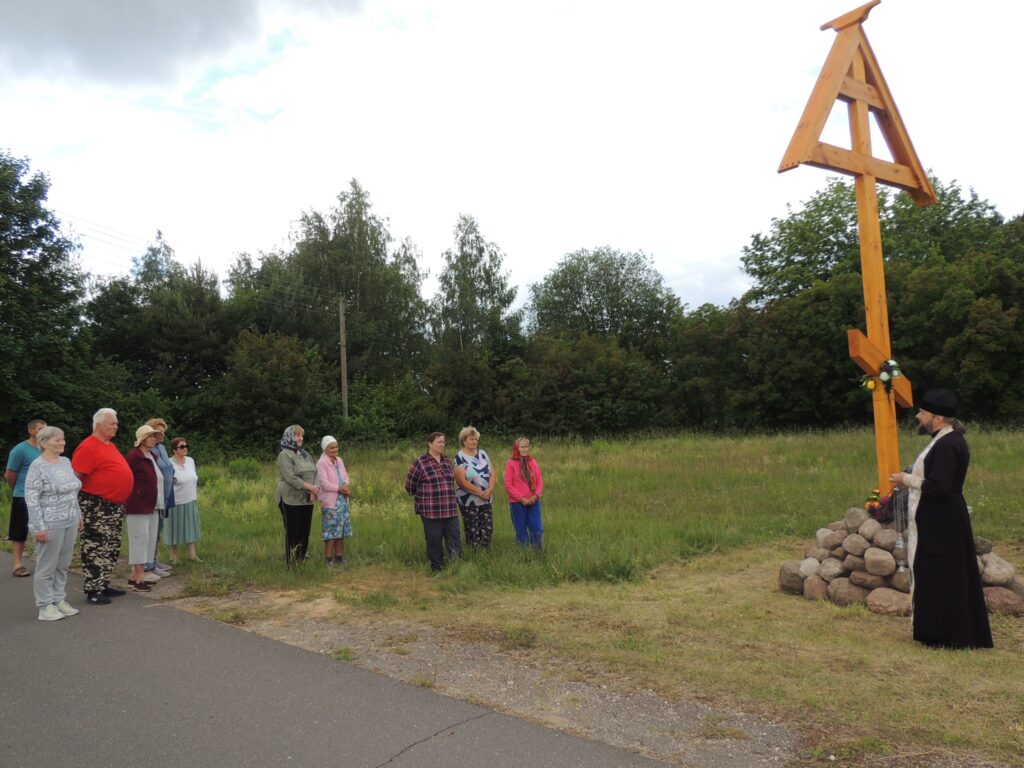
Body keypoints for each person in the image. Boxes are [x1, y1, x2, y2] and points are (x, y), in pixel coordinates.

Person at [889, 389, 993, 649]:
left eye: (922, 413)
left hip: (943, 518)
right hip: (940, 516)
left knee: (945, 573)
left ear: (937, 418)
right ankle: (936, 631)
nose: (917, 416)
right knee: (936, 572)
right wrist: (910, 484)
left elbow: (940, 486)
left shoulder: (949, 444)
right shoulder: (943, 440)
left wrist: (907, 479)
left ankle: (949, 633)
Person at [72, 408, 133, 605]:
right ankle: (94, 589)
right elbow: (75, 480)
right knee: (95, 546)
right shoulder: (88, 447)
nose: (116, 426)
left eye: (116, 423)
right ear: (99, 424)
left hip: (113, 506)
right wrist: (75, 509)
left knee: (111, 545)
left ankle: (103, 583)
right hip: (95, 505)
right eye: (112, 423)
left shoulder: (109, 445)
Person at [24, 427, 82, 620]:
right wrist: (38, 527)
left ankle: (59, 599)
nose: (62, 442)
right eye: (57, 440)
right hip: (50, 523)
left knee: (63, 564)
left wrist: (79, 515)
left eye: (63, 439)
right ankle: (44, 605)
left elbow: (73, 492)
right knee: (47, 565)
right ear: (43, 442)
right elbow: (31, 499)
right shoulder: (37, 466)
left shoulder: (65, 462)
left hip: (70, 519)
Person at [404, 432, 461, 571]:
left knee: (454, 538)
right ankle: (437, 568)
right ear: (430, 443)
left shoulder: (447, 461)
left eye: (443, 442)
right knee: (434, 540)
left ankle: (456, 566)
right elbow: (410, 486)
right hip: (431, 510)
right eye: (439, 442)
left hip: (450, 509)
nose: (442, 444)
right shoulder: (420, 462)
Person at [5, 418, 45, 577]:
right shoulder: (20, 449)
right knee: (19, 530)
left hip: (43, 497)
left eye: (45, 428)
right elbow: (10, 473)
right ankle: (17, 564)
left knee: (43, 530)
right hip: (23, 495)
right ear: (31, 430)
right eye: (40, 428)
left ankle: (43, 562)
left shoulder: (45, 449)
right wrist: (17, 489)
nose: (43, 431)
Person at [124, 425, 162, 592]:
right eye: (150, 436)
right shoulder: (133, 456)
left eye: (155, 436)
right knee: (139, 538)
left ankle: (136, 575)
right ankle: (139, 576)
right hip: (137, 504)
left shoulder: (152, 455)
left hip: (152, 503)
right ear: (142, 439)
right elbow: (125, 478)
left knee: (149, 538)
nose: (154, 439)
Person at [276, 425, 319, 564]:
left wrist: (314, 489)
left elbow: (315, 472)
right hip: (290, 499)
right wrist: (311, 487)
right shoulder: (284, 455)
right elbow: (290, 478)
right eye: (297, 435)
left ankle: (301, 558)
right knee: (293, 530)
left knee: (304, 529)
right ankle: (291, 561)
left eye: (301, 435)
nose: (300, 438)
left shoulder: (305, 454)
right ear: (289, 436)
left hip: (306, 499)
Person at [453, 426, 496, 550]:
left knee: (488, 528)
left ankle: (487, 553)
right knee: (473, 530)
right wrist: (481, 493)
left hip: (487, 498)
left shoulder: (483, 453)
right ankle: (475, 555)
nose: (474, 441)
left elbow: (492, 473)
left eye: (476, 439)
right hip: (469, 501)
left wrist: (489, 490)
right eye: (471, 439)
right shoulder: (459, 458)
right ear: (464, 441)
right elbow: (461, 482)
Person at [144, 417, 174, 577]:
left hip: (167, 495)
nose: (160, 436)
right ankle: (148, 563)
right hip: (155, 496)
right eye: (157, 432)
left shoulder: (161, 448)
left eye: (163, 433)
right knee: (152, 530)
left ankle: (154, 560)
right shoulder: (149, 449)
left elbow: (167, 467)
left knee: (159, 529)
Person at [316, 435, 352, 566]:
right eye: (331, 447)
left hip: (342, 500)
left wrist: (346, 487)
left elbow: (345, 477)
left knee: (341, 530)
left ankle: (339, 557)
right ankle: (328, 559)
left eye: (336, 446)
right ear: (325, 449)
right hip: (330, 502)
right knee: (331, 531)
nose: (335, 449)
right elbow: (324, 484)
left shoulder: (339, 461)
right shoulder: (321, 463)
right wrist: (339, 489)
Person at [165, 436, 201, 562]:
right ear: (174, 450)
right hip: (176, 501)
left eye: (186, 446)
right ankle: (173, 555)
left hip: (190, 499)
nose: (185, 449)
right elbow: (166, 480)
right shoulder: (169, 463)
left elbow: (193, 477)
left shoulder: (190, 461)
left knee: (191, 527)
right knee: (174, 528)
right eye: (181, 447)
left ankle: (192, 554)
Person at [504, 436, 544, 549]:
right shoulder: (511, 463)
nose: (525, 449)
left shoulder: (533, 462)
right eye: (522, 447)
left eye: (527, 447)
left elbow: (540, 480)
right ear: (517, 448)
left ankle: (537, 551)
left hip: (534, 501)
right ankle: (523, 553)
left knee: (537, 527)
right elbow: (508, 484)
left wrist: (536, 496)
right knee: (520, 528)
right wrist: (521, 498)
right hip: (517, 502)